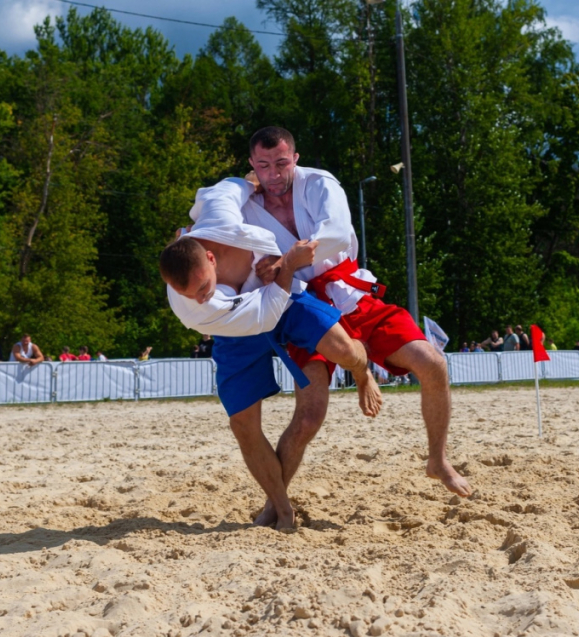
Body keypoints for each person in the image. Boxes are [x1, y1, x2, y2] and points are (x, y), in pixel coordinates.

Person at [185, 125, 470, 527]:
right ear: (252, 165)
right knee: (309, 417)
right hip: (301, 305)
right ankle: (276, 501)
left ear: (295, 158)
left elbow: (335, 233)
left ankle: (438, 460)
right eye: (264, 165)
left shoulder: (318, 183)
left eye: (282, 162)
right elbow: (205, 218)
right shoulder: (242, 201)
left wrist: (283, 260)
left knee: (433, 363)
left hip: (350, 293)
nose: (274, 173)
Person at [161, 232, 384, 529]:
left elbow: (247, 184)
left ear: (210, 257)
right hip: (236, 325)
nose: (201, 297)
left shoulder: (215, 217)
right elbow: (256, 314)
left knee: (343, 349)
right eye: (193, 293)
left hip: (285, 299)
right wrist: (288, 264)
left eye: (204, 287)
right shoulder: (190, 304)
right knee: (242, 424)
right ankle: (281, 508)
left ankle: (362, 372)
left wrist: (281, 261)